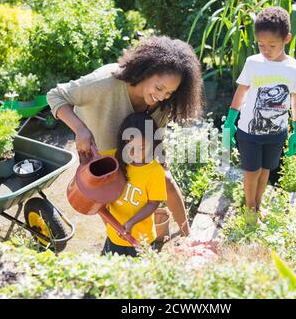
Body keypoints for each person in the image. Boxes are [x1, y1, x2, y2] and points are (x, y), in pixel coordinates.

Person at [47, 36, 204, 236]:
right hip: (102, 147)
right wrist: (80, 129)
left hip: (138, 145)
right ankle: (120, 244)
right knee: (111, 195)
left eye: (170, 92)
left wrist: (159, 162)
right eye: (159, 88)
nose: (163, 96)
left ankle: (187, 235)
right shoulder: (104, 81)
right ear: (146, 71)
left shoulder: (163, 104)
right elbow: (55, 95)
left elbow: (156, 137)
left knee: (166, 179)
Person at [222, 6, 296, 213]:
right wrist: (230, 122)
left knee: (265, 170)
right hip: (248, 132)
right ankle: (250, 208)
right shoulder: (253, 63)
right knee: (251, 171)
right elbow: (241, 92)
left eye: (272, 45)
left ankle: (258, 204)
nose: (265, 50)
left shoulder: (295, 68)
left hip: (276, 133)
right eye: (261, 45)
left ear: (286, 39)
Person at [100, 112, 166, 257]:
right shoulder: (115, 158)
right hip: (114, 234)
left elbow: (153, 203)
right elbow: (94, 161)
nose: (133, 152)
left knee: (137, 276)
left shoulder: (154, 171)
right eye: (128, 146)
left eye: (141, 148)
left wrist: (132, 222)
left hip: (141, 238)